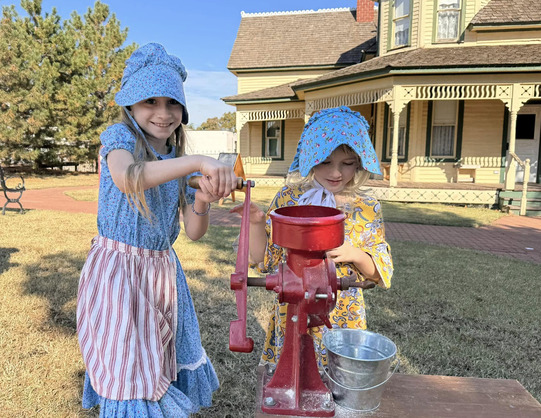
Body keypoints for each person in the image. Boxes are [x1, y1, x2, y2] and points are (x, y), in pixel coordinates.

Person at [76, 43, 237, 417]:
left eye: (172, 103)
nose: (163, 113)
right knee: (129, 369)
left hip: (163, 274)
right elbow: (128, 178)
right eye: (150, 101)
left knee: (157, 364)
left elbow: (195, 231)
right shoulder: (120, 140)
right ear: (131, 105)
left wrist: (203, 199)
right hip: (119, 275)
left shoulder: (174, 164)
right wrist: (195, 162)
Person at [233, 106, 394, 367]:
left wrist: (355, 254)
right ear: (309, 159)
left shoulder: (366, 207)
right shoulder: (289, 199)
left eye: (347, 164)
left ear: (360, 163)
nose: (336, 173)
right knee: (294, 372)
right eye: (325, 162)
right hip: (295, 309)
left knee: (338, 381)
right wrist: (256, 223)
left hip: (342, 314)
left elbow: (379, 273)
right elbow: (264, 261)